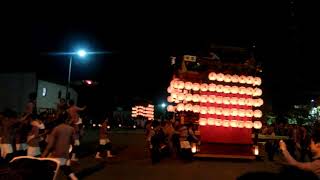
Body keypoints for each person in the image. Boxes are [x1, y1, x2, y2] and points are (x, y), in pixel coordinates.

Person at [42, 113, 78, 180]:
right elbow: (74, 142)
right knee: (65, 168)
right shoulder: (71, 129)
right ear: (67, 120)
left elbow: (50, 145)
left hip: (57, 154)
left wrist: (43, 156)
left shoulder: (56, 128)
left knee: (52, 170)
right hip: (65, 154)